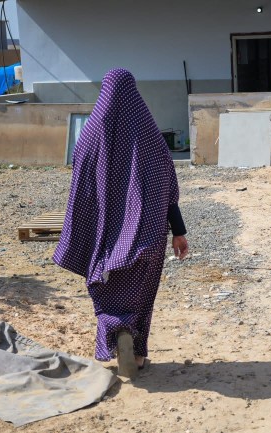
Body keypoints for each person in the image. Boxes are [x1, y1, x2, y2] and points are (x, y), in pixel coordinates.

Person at [53, 68, 188, 380]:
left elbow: (81, 190)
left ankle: (115, 326)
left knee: (105, 286)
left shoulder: (88, 136)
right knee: (142, 293)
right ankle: (138, 353)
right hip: (147, 236)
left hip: (103, 239)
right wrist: (178, 232)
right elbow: (167, 189)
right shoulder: (150, 136)